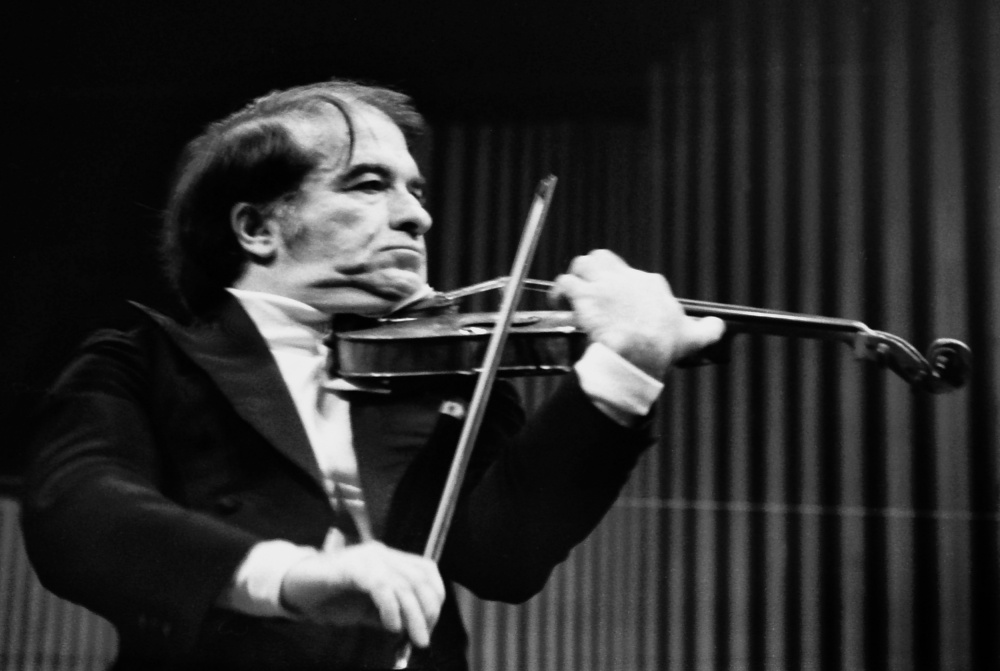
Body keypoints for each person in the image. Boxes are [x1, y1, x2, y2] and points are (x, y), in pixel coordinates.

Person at [20, 79, 724, 670]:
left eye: (416, 191)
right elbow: (78, 507)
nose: (417, 216)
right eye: (368, 184)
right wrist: (293, 575)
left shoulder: (446, 378)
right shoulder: (141, 362)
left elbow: (504, 557)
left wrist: (623, 366)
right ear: (257, 228)